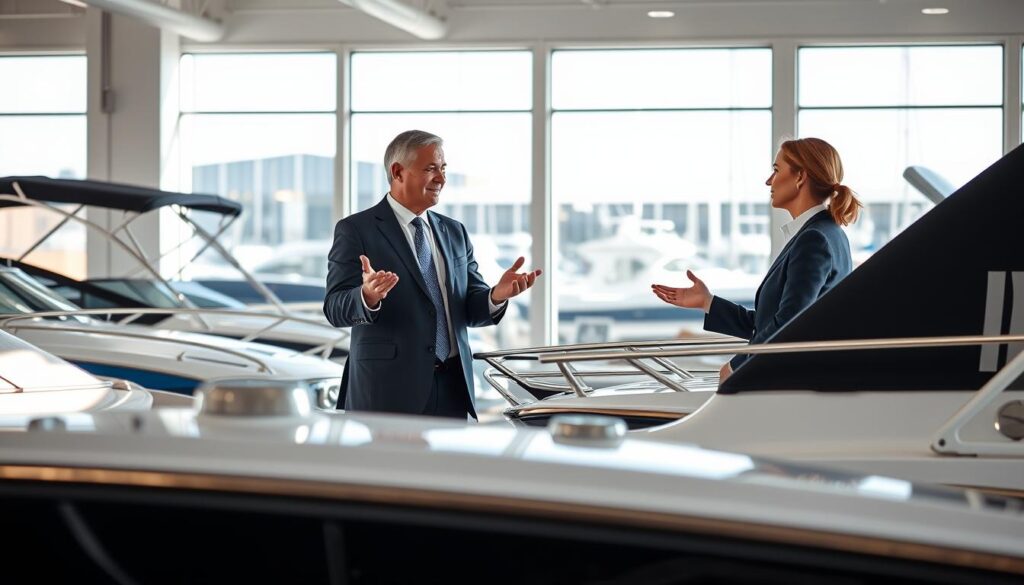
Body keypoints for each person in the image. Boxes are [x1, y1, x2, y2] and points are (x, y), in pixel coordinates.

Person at [324, 130, 541, 419]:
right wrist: (367, 296)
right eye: (430, 169)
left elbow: (469, 309)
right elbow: (334, 309)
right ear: (398, 172)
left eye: (443, 168)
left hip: (452, 387)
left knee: (449, 466)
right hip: (386, 391)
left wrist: (496, 296)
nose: (441, 178)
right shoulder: (356, 229)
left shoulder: (454, 232)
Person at [651, 137, 861, 384]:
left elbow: (788, 325)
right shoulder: (829, 233)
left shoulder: (814, 239)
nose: (769, 181)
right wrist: (708, 303)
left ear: (800, 177)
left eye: (776, 170)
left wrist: (736, 366)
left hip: (787, 382)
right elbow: (773, 323)